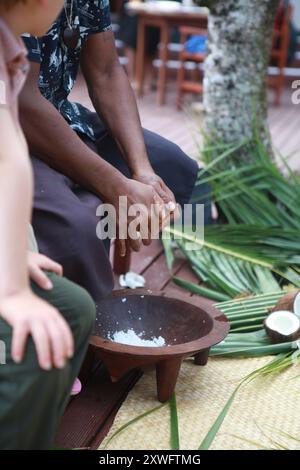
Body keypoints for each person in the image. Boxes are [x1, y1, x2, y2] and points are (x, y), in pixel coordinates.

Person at [20, 0, 212, 306]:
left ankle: (144, 276)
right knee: (79, 228)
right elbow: (22, 102)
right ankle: (89, 330)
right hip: (18, 132)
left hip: (66, 117)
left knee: (176, 170)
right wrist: (117, 186)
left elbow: (107, 71)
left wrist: (142, 170)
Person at [0, 0, 96, 450]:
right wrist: (10, 289)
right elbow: (8, 160)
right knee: (35, 341)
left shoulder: (9, 48)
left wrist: (14, 253)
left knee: (72, 308)